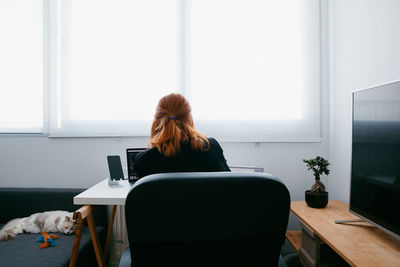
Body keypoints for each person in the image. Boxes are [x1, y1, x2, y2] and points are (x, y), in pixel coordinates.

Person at [134, 93, 230, 178]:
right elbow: (229, 184)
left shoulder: (143, 160)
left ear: (157, 121)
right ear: (189, 118)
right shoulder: (211, 147)